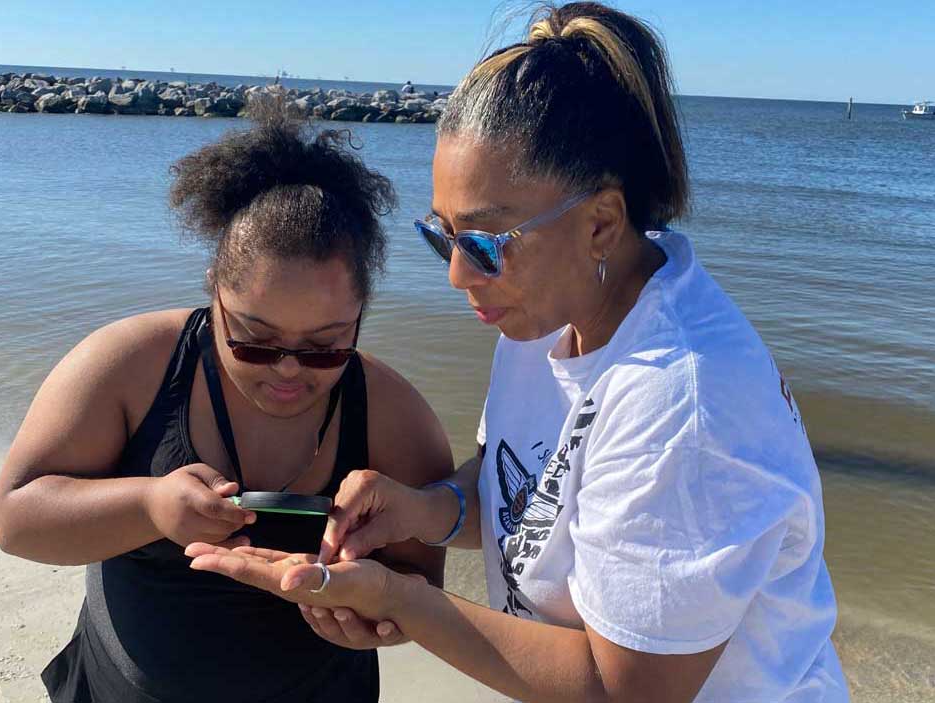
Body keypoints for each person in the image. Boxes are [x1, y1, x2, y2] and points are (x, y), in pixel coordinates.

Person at [187, 3, 850, 702]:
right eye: (442, 236)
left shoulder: (682, 403)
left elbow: (623, 690)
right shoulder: (545, 316)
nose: (457, 274)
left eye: (482, 244)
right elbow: (526, 488)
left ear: (600, 224)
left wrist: (402, 598)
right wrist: (425, 507)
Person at [0, 100, 453, 702]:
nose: (289, 369)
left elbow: (418, 589)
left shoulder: (395, 417)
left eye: (325, 346)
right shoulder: (129, 365)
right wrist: (150, 505)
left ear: (360, 316)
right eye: (255, 341)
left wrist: (374, 617)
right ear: (214, 293)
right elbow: (16, 520)